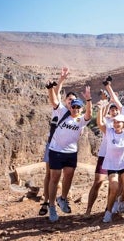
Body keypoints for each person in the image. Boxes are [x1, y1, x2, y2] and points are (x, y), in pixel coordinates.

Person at [46, 85, 92, 222]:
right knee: (54, 177)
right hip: (56, 150)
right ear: (70, 107)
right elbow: (54, 101)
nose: (75, 109)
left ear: (80, 109)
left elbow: (89, 114)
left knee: (69, 176)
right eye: (73, 107)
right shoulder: (62, 112)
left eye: (78, 107)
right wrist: (50, 88)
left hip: (71, 152)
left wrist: (89, 100)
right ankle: (52, 206)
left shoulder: (81, 120)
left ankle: (63, 198)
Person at [39, 67, 72, 216]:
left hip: (68, 149)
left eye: (73, 100)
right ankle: (46, 202)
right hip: (52, 146)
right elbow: (55, 94)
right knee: (49, 174)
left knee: (66, 174)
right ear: (65, 101)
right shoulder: (58, 110)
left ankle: (62, 198)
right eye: (69, 99)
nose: (71, 102)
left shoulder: (76, 115)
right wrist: (61, 79)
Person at [97, 96, 124, 223]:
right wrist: (100, 109)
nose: (116, 124)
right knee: (113, 188)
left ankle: (120, 201)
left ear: (123, 124)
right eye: (114, 122)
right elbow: (100, 123)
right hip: (112, 165)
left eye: (119, 122)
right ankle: (108, 212)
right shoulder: (109, 132)